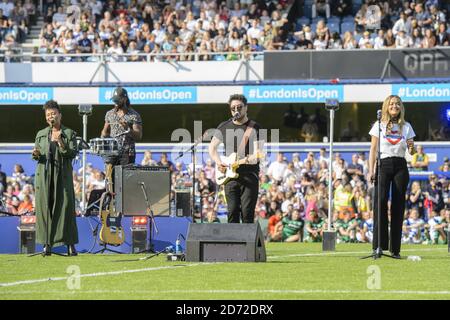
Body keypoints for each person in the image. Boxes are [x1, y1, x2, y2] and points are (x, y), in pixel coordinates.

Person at [368, 95, 416, 259]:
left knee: (398, 205)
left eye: (397, 104)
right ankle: (378, 246)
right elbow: (373, 150)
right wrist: (370, 170)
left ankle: (395, 249)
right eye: (392, 104)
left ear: (401, 107)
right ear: (386, 107)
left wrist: (412, 148)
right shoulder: (379, 125)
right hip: (383, 164)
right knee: (380, 203)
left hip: (401, 166)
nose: (395, 106)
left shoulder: (407, 126)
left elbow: (411, 151)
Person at [32, 100, 79, 256]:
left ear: (60, 115)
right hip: (44, 176)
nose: (51, 116)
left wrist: (60, 141)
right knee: (45, 209)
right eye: (48, 115)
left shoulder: (69, 133)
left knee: (66, 208)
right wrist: (36, 154)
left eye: (53, 113)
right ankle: (47, 245)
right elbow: (38, 154)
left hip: (62, 175)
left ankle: (70, 245)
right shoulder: (41, 134)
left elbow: (71, 153)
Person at [209, 94, 263, 223]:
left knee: (247, 213)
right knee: (232, 212)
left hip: (249, 176)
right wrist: (219, 163)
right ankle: (233, 243)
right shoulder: (224, 126)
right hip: (229, 177)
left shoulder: (255, 127)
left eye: (239, 107)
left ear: (246, 108)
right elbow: (212, 148)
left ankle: (248, 243)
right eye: (233, 108)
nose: (236, 110)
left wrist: (241, 161)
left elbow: (258, 154)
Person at [101, 86, 143, 166]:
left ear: (124, 99)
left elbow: (139, 136)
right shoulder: (109, 114)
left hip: (127, 153)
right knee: (111, 177)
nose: (115, 102)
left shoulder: (134, 115)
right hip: (112, 152)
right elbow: (104, 132)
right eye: (114, 100)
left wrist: (127, 128)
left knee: (125, 177)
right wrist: (103, 139)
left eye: (117, 100)